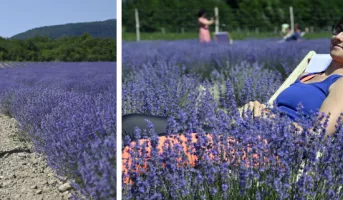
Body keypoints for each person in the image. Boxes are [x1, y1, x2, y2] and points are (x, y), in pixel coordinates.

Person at [123, 17, 343, 182]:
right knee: (131, 124)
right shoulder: (312, 72)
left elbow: (316, 137)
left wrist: (267, 119)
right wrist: (254, 109)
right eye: (339, 30)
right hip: (241, 130)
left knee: (138, 151)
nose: (339, 37)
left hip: (269, 149)